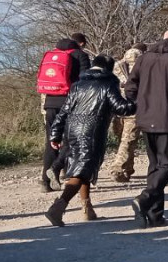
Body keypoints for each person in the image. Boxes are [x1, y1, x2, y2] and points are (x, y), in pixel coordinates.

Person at [44, 54, 136, 226]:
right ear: (108, 68)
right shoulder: (108, 83)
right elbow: (122, 108)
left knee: (82, 168)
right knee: (82, 171)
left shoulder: (77, 84)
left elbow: (64, 111)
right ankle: (58, 207)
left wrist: (55, 134)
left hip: (72, 131)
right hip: (92, 131)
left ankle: (87, 209)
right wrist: (136, 99)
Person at [124, 28, 168, 227]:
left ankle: (154, 214)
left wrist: (140, 104)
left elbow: (130, 86)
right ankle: (145, 198)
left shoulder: (144, 58)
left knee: (155, 166)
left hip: (145, 119)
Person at [38, 37, 83, 192]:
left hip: (50, 103)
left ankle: (45, 181)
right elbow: (85, 79)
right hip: (70, 103)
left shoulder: (51, 55)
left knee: (51, 141)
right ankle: (61, 172)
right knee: (71, 140)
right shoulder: (79, 55)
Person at [107, 43, 146, 183]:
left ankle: (127, 169)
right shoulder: (144, 67)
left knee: (123, 140)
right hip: (134, 108)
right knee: (128, 141)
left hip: (117, 109)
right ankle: (117, 169)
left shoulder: (116, 66)